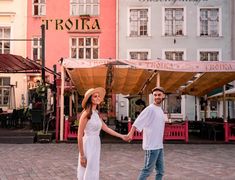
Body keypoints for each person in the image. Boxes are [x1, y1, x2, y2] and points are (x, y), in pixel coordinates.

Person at [77, 87, 128, 180]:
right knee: (88, 169)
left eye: (98, 96)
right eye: (94, 96)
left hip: (96, 143)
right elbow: (79, 136)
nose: (97, 98)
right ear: (90, 99)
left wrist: (122, 136)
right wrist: (82, 155)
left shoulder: (96, 114)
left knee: (93, 168)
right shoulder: (86, 114)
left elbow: (106, 128)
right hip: (88, 143)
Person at [127, 86, 166, 180]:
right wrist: (130, 134)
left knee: (160, 171)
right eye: (155, 95)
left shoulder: (160, 110)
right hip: (151, 146)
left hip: (159, 146)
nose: (157, 97)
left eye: (159, 95)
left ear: (163, 96)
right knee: (147, 170)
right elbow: (137, 121)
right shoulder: (150, 109)